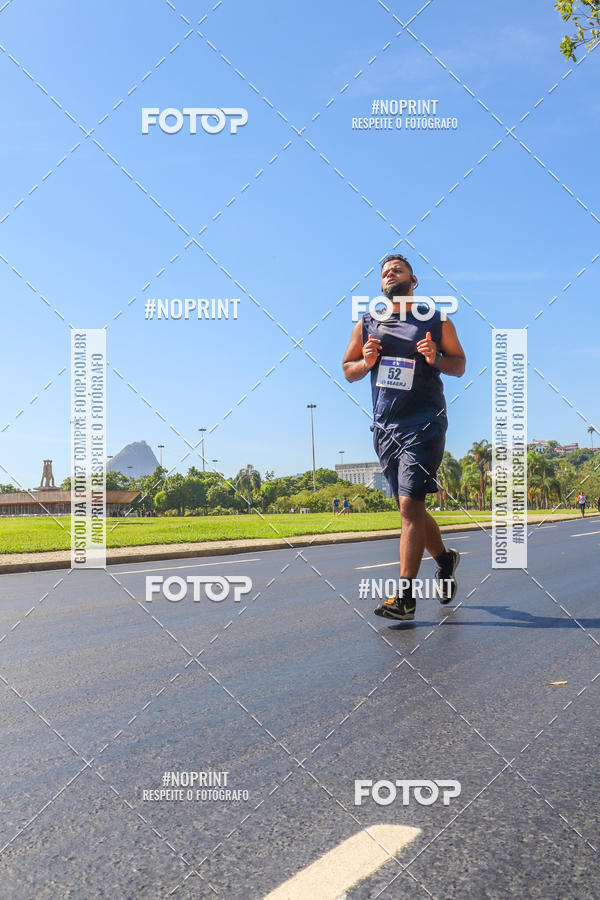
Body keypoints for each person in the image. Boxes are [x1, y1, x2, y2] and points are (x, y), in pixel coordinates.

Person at [343, 253, 466, 620]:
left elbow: (459, 364)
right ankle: (444, 560)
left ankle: (406, 597)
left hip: (425, 423)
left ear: (414, 281)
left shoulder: (435, 320)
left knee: (409, 507)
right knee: (411, 506)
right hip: (386, 427)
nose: (389, 274)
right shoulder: (367, 324)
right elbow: (348, 371)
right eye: (383, 272)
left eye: (396, 270)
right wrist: (365, 361)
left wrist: (435, 359)